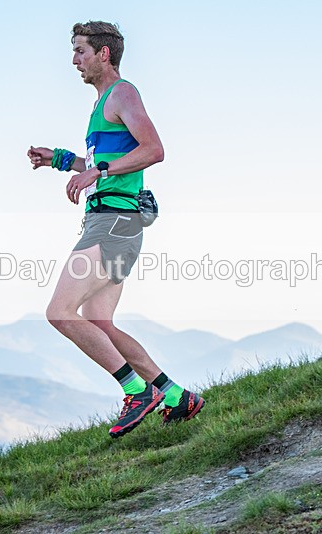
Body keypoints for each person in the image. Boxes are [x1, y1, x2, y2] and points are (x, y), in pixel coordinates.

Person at [27, 21, 204, 438]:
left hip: (114, 222)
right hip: (111, 221)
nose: (74, 60)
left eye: (80, 51)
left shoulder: (123, 93)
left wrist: (99, 171)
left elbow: (153, 150)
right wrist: (58, 160)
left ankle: (137, 392)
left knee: (59, 313)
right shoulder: (100, 105)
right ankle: (177, 397)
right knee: (99, 322)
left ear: (103, 54)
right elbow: (97, 165)